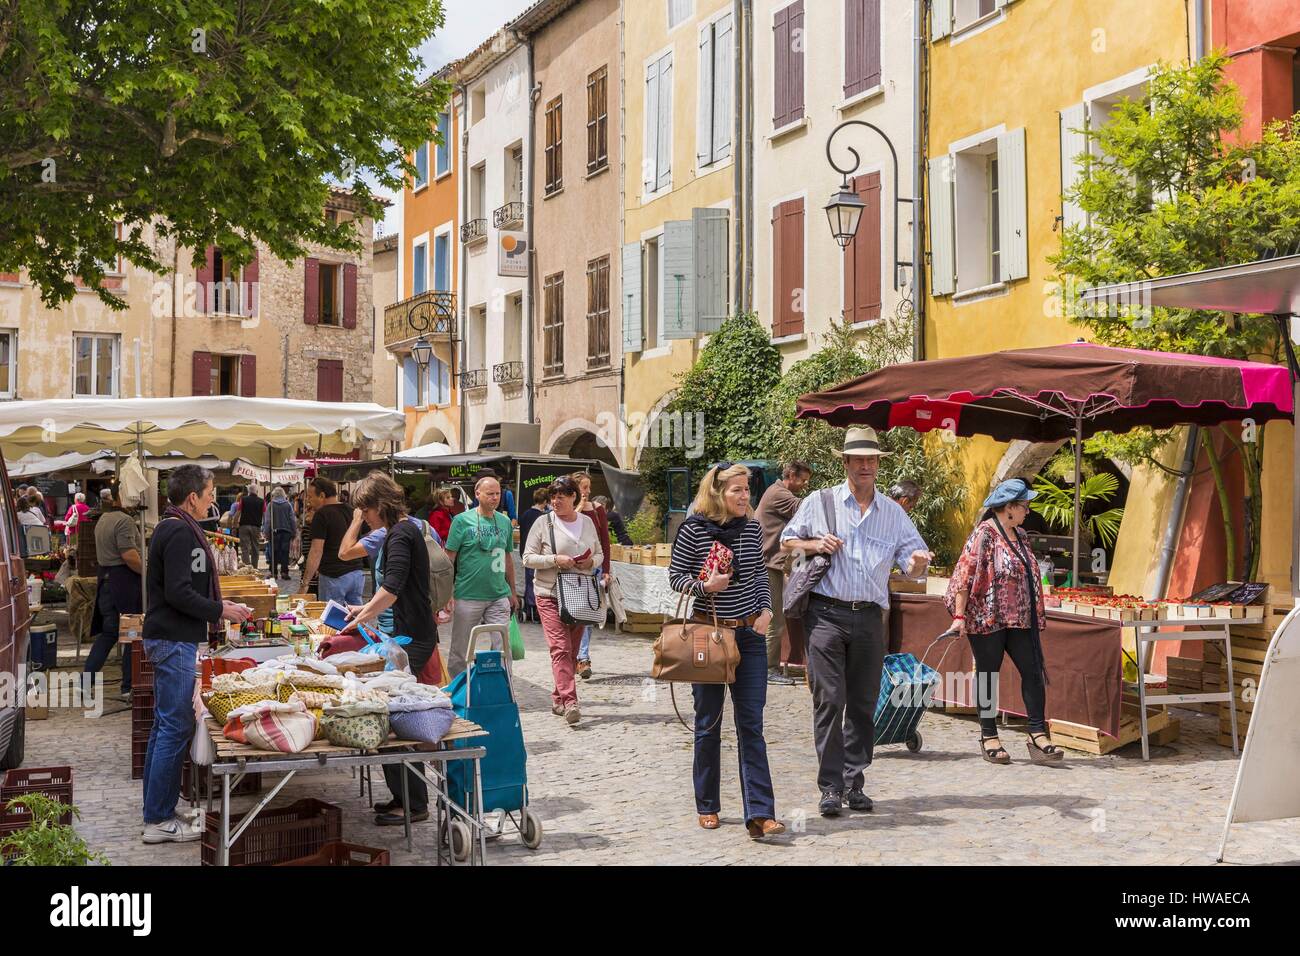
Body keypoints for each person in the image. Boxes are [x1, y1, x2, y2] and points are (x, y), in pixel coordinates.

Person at [780, 427, 932, 818]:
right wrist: (815, 545)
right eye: (858, 459)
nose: (865, 465)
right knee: (830, 700)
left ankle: (854, 780)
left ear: (879, 465)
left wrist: (916, 563)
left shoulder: (894, 513)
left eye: (872, 459)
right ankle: (831, 786)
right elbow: (787, 543)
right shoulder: (820, 501)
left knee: (864, 705)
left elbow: (912, 559)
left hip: (869, 618)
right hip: (826, 614)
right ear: (845, 462)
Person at [668, 463, 784, 840]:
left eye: (746, 490)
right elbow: (675, 578)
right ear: (717, 492)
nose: (744, 496)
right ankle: (708, 805)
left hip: (748, 637)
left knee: (752, 725)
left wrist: (766, 609)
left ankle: (760, 814)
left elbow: (760, 576)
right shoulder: (693, 529)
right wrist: (705, 586)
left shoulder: (751, 528)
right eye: (736, 490)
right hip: (707, 635)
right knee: (709, 724)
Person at [141, 465, 252, 843]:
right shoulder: (178, 531)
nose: (212, 500)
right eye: (209, 493)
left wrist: (221, 604)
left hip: (173, 638)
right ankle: (157, 819)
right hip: (173, 640)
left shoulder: (175, 528)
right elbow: (179, 592)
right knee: (175, 726)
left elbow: (186, 588)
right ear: (192, 497)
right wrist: (221, 609)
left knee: (166, 726)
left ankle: (160, 809)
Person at [342, 471, 438, 826]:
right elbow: (394, 587)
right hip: (404, 633)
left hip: (411, 635)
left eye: (365, 511)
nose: (363, 518)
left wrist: (362, 615)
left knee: (394, 715)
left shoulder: (401, 534)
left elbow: (394, 587)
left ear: (379, 505)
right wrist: (362, 610)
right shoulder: (400, 532)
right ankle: (405, 796)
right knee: (390, 713)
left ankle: (413, 803)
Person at [946, 478, 1064, 765]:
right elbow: (964, 575)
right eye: (1024, 505)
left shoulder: (1021, 535)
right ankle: (989, 736)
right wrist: (959, 617)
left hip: (1020, 618)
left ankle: (1037, 733)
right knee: (988, 674)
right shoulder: (984, 534)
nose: (1028, 510)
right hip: (986, 617)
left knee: (1033, 670)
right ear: (1008, 508)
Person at [523, 476, 602, 726]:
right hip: (549, 593)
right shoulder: (542, 523)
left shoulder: (587, 522)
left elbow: (599, 552)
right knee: (560, 648)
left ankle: (558, 698)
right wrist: (555, 559)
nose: (556, 501)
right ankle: (570, 702)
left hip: (579, 594)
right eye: (553, 496)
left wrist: (591, 562)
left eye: (561, 496)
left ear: (573, 498)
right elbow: (527, 558)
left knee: (572, 649)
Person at [444, 475, 518, 677]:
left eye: (497, 494)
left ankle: (503, 686)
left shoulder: (504, 522)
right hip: (468, 595)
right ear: (477, 494)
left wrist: (512, 590)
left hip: (498, 595)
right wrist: (446, 593)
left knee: (503, 647)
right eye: (490, 494)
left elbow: (507, 557)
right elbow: (448, 559)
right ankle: (459, 687)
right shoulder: (461, 521)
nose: (495, 498)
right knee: (461, 647)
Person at [82, 485, 142, 701]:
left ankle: (85, 682)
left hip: (106, 581)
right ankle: (128, 687)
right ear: (121, 497)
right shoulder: (123, 521)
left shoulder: (104, 519)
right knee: (132, 635)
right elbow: (129, 556)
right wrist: (150, 571)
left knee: (109, 634)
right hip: (122, 582)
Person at [755, 460, 812, 686]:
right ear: (790, 475)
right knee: (773, 620)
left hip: (770, 563)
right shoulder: (779, 493)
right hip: (767, 564)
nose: (805, 484)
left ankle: (765, 666)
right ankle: (768, 669)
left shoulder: (776, 491)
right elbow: (805, 507)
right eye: (803, 480)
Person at [301, 477, 366, 604]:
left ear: (322, 495)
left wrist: (305, 583)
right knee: (355, 617)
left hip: (334, 575)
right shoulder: (351, 510)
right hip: (356, 573)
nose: (308, 501)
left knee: (331, 619)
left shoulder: (322, 514)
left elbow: (316, 551)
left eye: (310, 496)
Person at [571, 471, 610, 680]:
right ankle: (573, 656)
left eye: (588, 487)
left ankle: (583, 658)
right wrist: (576, 509)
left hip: (592, 569)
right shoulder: (566, 511)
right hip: (569, 570)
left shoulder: (597, 510)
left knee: (587, 615)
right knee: (570, 614)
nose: (588, 492)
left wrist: (606, 570)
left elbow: (605, 542)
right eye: (584, 487)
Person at [517, 487, 550, 623]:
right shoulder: (541, 517)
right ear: (546, 501)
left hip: (525, 552)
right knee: (534, 582)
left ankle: (529, 607)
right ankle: (534, 608)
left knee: (529, 581)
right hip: (537, 555)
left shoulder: (525, 514)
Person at [261, 486, 298, 581]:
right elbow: (292, 519)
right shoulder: (288, 504)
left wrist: (266, 532)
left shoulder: (271, 504)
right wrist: (294, 531)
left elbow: (268, 520)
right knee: (285, 552)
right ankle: (284, 572)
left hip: (274, 532)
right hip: (286, 532)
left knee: (274, 552)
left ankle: (273, 573)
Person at [237, 486, 264, 569]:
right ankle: (254, 567)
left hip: (244, 526)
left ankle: (247, 567)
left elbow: (238, 512)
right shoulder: (262, 501)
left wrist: (234, 523)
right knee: (255, 547)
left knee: (244, 547)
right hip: (256, 527)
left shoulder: (243, 500)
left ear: (249, 491)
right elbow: (265, 514)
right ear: (256, 491)